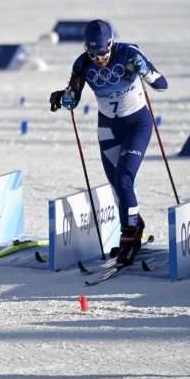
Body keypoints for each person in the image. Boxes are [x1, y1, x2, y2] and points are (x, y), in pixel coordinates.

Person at [49, 19, 168, 266]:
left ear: (111, 45)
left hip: (137, 124)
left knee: (125, 178)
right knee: (116, 185)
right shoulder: (83, 64)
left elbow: (162, 85)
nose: (99, 59)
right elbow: (74, 97)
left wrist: (145, 71)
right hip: (108, 127)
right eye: (93, 54)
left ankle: (128, 238)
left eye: (102, 53)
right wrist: (64, 98)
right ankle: (136, 225)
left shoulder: (129, 53)